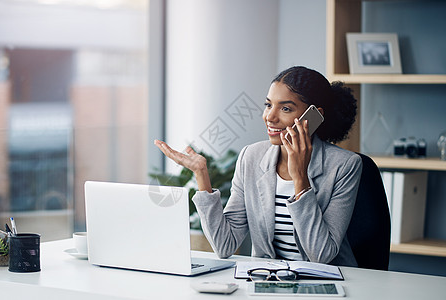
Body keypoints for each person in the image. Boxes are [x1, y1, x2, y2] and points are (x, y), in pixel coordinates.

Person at [154, 66, 362, 266]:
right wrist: (201, 175)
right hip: (268, 279)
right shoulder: (251, 157)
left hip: (325, 283)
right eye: (268, 105)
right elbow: (224, 245)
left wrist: (300, 178)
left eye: (286, 108)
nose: (270, 117)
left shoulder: (344, 166)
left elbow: (321, 255)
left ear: (314, 115)